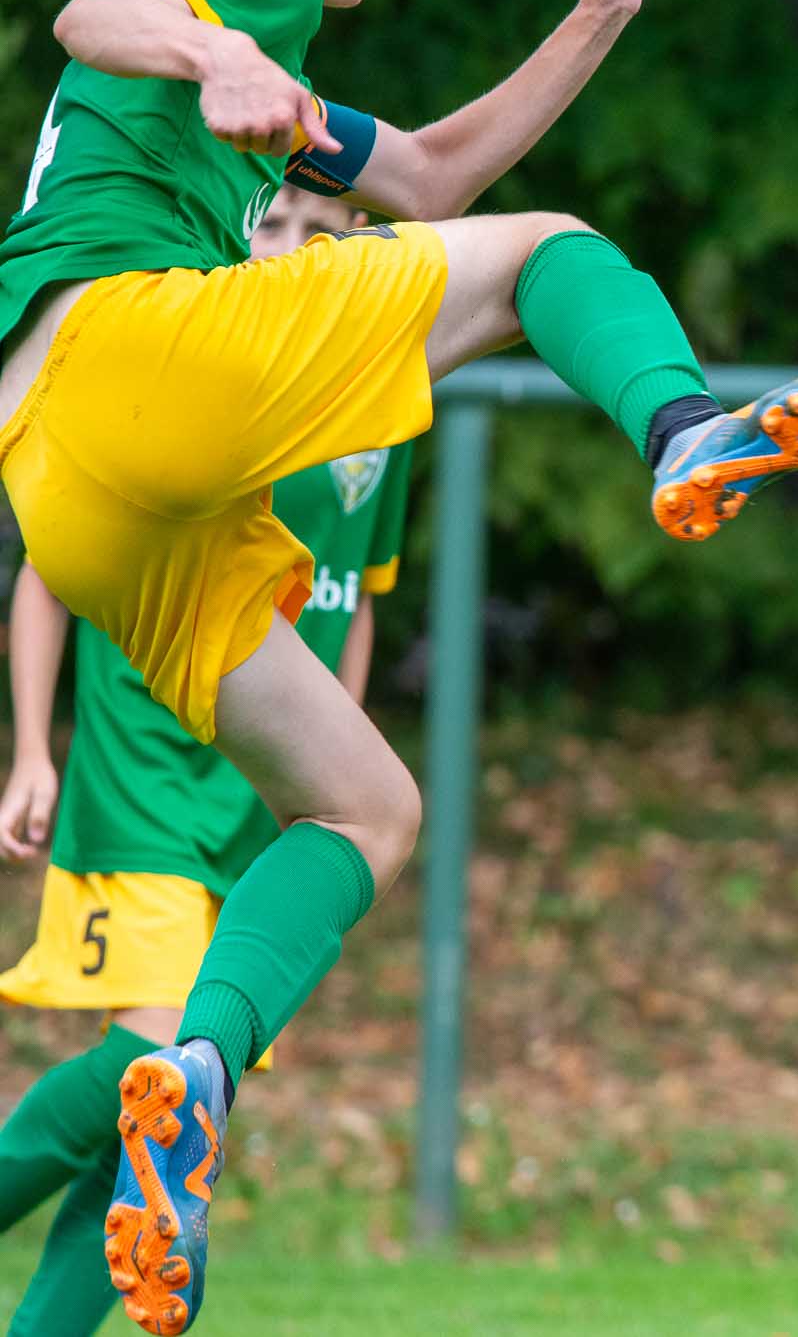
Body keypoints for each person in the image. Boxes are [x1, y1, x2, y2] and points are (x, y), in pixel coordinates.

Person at [0, 0, 798, 1329]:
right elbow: (87, 13)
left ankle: (196, 1071)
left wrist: (599, 12)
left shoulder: (272, 77)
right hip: (125, 360)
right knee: (550, 256)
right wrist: (221, 48)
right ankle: (683, 430)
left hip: (75, 497)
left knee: (368, 808)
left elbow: (426, 175)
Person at [0, 187, 414, 1337]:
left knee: (166, 1120)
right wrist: (33, 749)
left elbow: (358, 605)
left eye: (320, 234)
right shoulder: (183, 364)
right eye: (271, 222)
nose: (290, 247)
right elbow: (45, 573)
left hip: (257, 806)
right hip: (144, 779)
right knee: (157, 1064)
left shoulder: (367, 410)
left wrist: (337, 776)